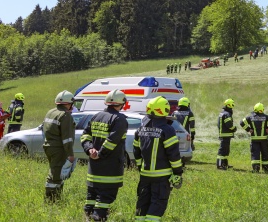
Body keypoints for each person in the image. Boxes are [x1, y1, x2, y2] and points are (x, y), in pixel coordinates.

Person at [81, 89, 129, 221]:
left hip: (94, 168)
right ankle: (98, 218)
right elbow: (112, 141)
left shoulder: (96, 116)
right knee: (105, 197)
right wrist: (100, 154)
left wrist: (90, 149)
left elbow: (85, 135)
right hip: (110, 168)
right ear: (122, 103)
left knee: (91, 196)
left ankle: (87, 217)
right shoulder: (120, 119)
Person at [134, 96, 184, 221]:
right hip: (162, 177)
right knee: (158, 203)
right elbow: (173, 155)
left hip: (145, 176)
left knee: (143, 202)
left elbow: (136, 152)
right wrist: (178, 172)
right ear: (165, 110)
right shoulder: (167, 130)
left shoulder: (140, 129)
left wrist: (141, 167)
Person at [42, 90, 77, 203]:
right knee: (56, 175)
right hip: (59, 149)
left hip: (48, 146)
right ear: (69, 103)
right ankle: (52, 200)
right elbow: (67, 139)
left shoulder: (50, 112)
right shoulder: (65, 115)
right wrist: (70, 155)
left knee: (54, 172)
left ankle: (53, 198)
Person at [240, 103, 268, 173]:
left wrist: (248, 129)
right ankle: (266, 170)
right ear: (262, 109)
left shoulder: (250, 117)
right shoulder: (266, 117)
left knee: (255, 154)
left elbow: (241, 122)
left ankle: (256, 169)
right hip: (264, 140)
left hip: (254, 139)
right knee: (265, 154)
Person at [217, 98, 237, 170]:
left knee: (226, 150)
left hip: (225, 134)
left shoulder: (223, 113)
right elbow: (229, 124)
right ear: (229, 105)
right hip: (225, 135)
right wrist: (234, 128)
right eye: (232, 104)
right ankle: (220, 165)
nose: (233, 106)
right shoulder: (227, 114)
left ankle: (224, 164)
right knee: (222, 151)